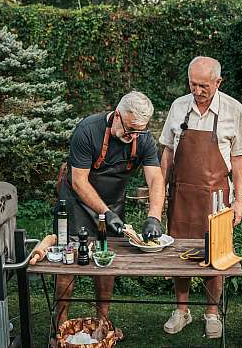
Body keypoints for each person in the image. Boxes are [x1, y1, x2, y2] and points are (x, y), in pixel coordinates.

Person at [159, 56, 242, 338]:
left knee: (217, 255)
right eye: (192, 84)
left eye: (203, 85)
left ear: (218, 82)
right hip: (182, 195)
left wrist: (239, 201)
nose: (197, 91)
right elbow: (167, 152)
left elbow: (239, 160)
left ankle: (212, 313)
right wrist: (160, 194)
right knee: (178, 256)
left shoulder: (233, 110)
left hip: (217, 197)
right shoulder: (178, 107)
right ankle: (181, 310)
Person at [54, 91, 165, 325]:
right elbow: (79, 181)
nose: (133, 136)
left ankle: (103, 322)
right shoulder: (87, 130)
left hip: (113, 204)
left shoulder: (142, 138)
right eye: (129, 130)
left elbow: (155, 178)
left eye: (139, 131)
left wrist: (154, 216)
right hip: (76, 203)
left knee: (106, 260)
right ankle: (60, 324)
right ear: (116, 116)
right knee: (69, 261)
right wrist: (105, 213)